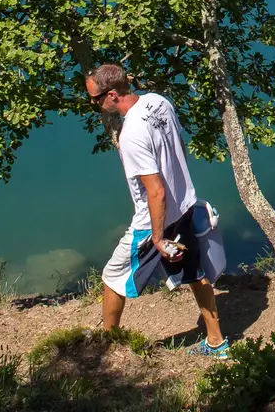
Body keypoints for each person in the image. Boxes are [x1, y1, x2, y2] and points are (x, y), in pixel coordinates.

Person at [86, 63, 230, 358]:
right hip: (184, 206)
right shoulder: (159, 102)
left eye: (95, 99)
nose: (93, 104)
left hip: (154, 221)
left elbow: (156, 191)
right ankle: (217, 343)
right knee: (195, 273)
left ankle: (108, 347)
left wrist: (156, 236)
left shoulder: (131, 134)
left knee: (113, 278)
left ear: (112, 95)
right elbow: (178, 146)